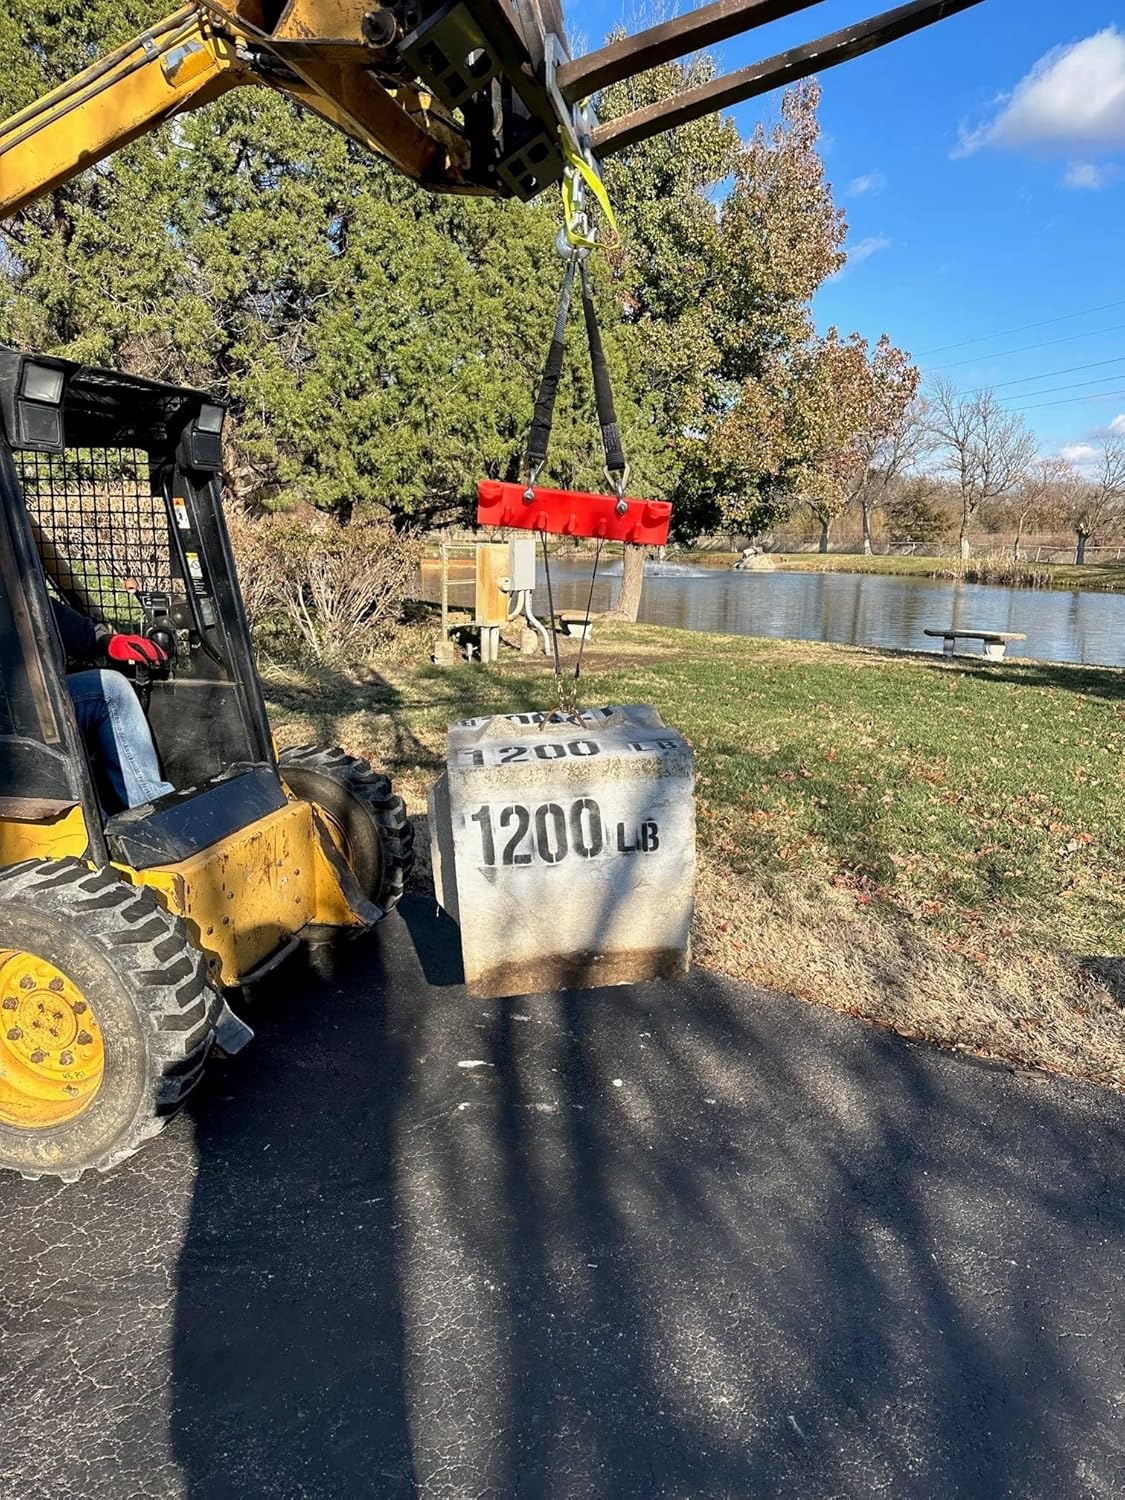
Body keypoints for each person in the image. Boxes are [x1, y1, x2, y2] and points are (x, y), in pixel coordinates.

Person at [50, 597, 175, 812]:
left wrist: (107, 641)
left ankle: (152, 808)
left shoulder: (12, 576)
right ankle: (96, 828)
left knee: (110, 687)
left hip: (35, 695)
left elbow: (49, 614)